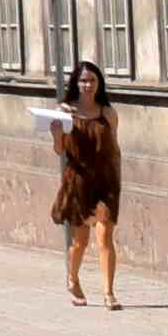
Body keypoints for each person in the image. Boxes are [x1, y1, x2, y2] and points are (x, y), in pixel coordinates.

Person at [46, 60, 125, 310]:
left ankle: (108, 293)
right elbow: (60, 150)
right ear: (75, 83)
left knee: (105, 236)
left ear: (99, 83)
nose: (87, 85)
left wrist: (117, 179)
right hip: (79, 179)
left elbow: (114, 148)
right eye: (83, 81)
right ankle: (73, 278)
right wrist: (57, 133)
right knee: (80, 240)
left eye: (91, 80)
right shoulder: (65, 110)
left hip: (106, 179)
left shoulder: (108, 113)